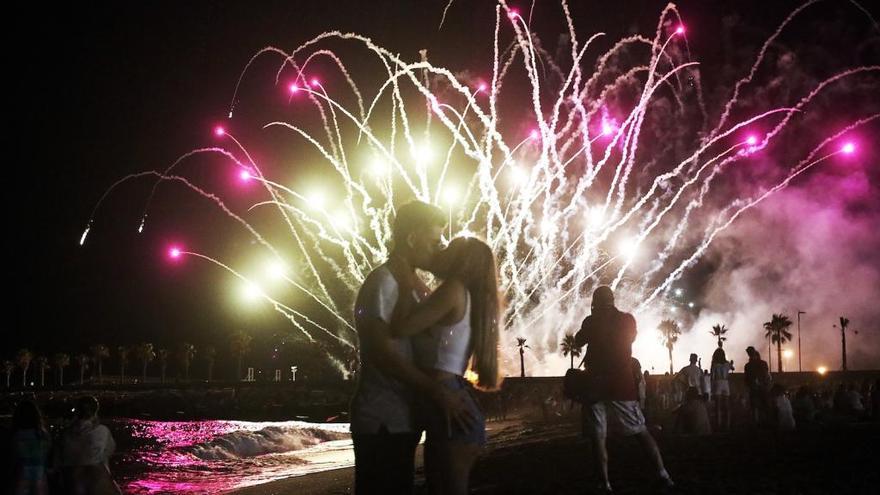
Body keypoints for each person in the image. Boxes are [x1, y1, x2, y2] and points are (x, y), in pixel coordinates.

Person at [350, 201, 474, 495]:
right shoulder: (383, 282)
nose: (439, 248)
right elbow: (382, 352)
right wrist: (437, 391)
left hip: (400, 417)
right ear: (411, 238)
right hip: (382, 419)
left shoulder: (407, 283)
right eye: (433, 241)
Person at [388, 236, 501, 495]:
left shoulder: (453, 290)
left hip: (449, 406)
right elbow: (431, 305)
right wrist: (413, 273)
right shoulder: (465, 295)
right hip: (453, 403)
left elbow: (401, 327)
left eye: (450, 248)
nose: (441, 249)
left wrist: (405, 286)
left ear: (461, 260)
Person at [574, 286, 674, 493]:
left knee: (598, 438)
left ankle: (605, 483)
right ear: (612, 300)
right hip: (622, 385)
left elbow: (578, 341)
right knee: (640, 431)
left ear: (595, 302)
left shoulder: (591, 321)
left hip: (595, 386)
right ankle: (662, 474)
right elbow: (629, 339)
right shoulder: (627, 320)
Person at [55, 396, 120, 495]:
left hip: (73, 479)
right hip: (96, 478)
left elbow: (59, 458)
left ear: (77, 411)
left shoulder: (65, 433)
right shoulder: (103, 431)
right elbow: (108, 452)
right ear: (95, 411)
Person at [10, 400, 51, 495]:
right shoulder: (44, 436)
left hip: (21, 479)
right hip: (40, 480)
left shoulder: (16, 436)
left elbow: (13, 459)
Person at [744, 346, 771, 426]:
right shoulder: (763, 363)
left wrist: (750, 384)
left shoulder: (748, 365)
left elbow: (746, 378)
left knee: (755, 407)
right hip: (763, 387)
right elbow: (767, 375)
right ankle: (766, 423)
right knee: (765, 406)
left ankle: (756, 423)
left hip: (754, 387)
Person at [710, 348, 734, 431]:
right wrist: (731, 364)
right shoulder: (726, 364)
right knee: (727, 406)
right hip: (725, 383)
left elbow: (712, 377)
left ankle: (718, 424)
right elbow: (733, 368)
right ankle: (728, 424)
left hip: (717, 383)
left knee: (718, 406)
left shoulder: (714, 364)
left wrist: (712, 388)